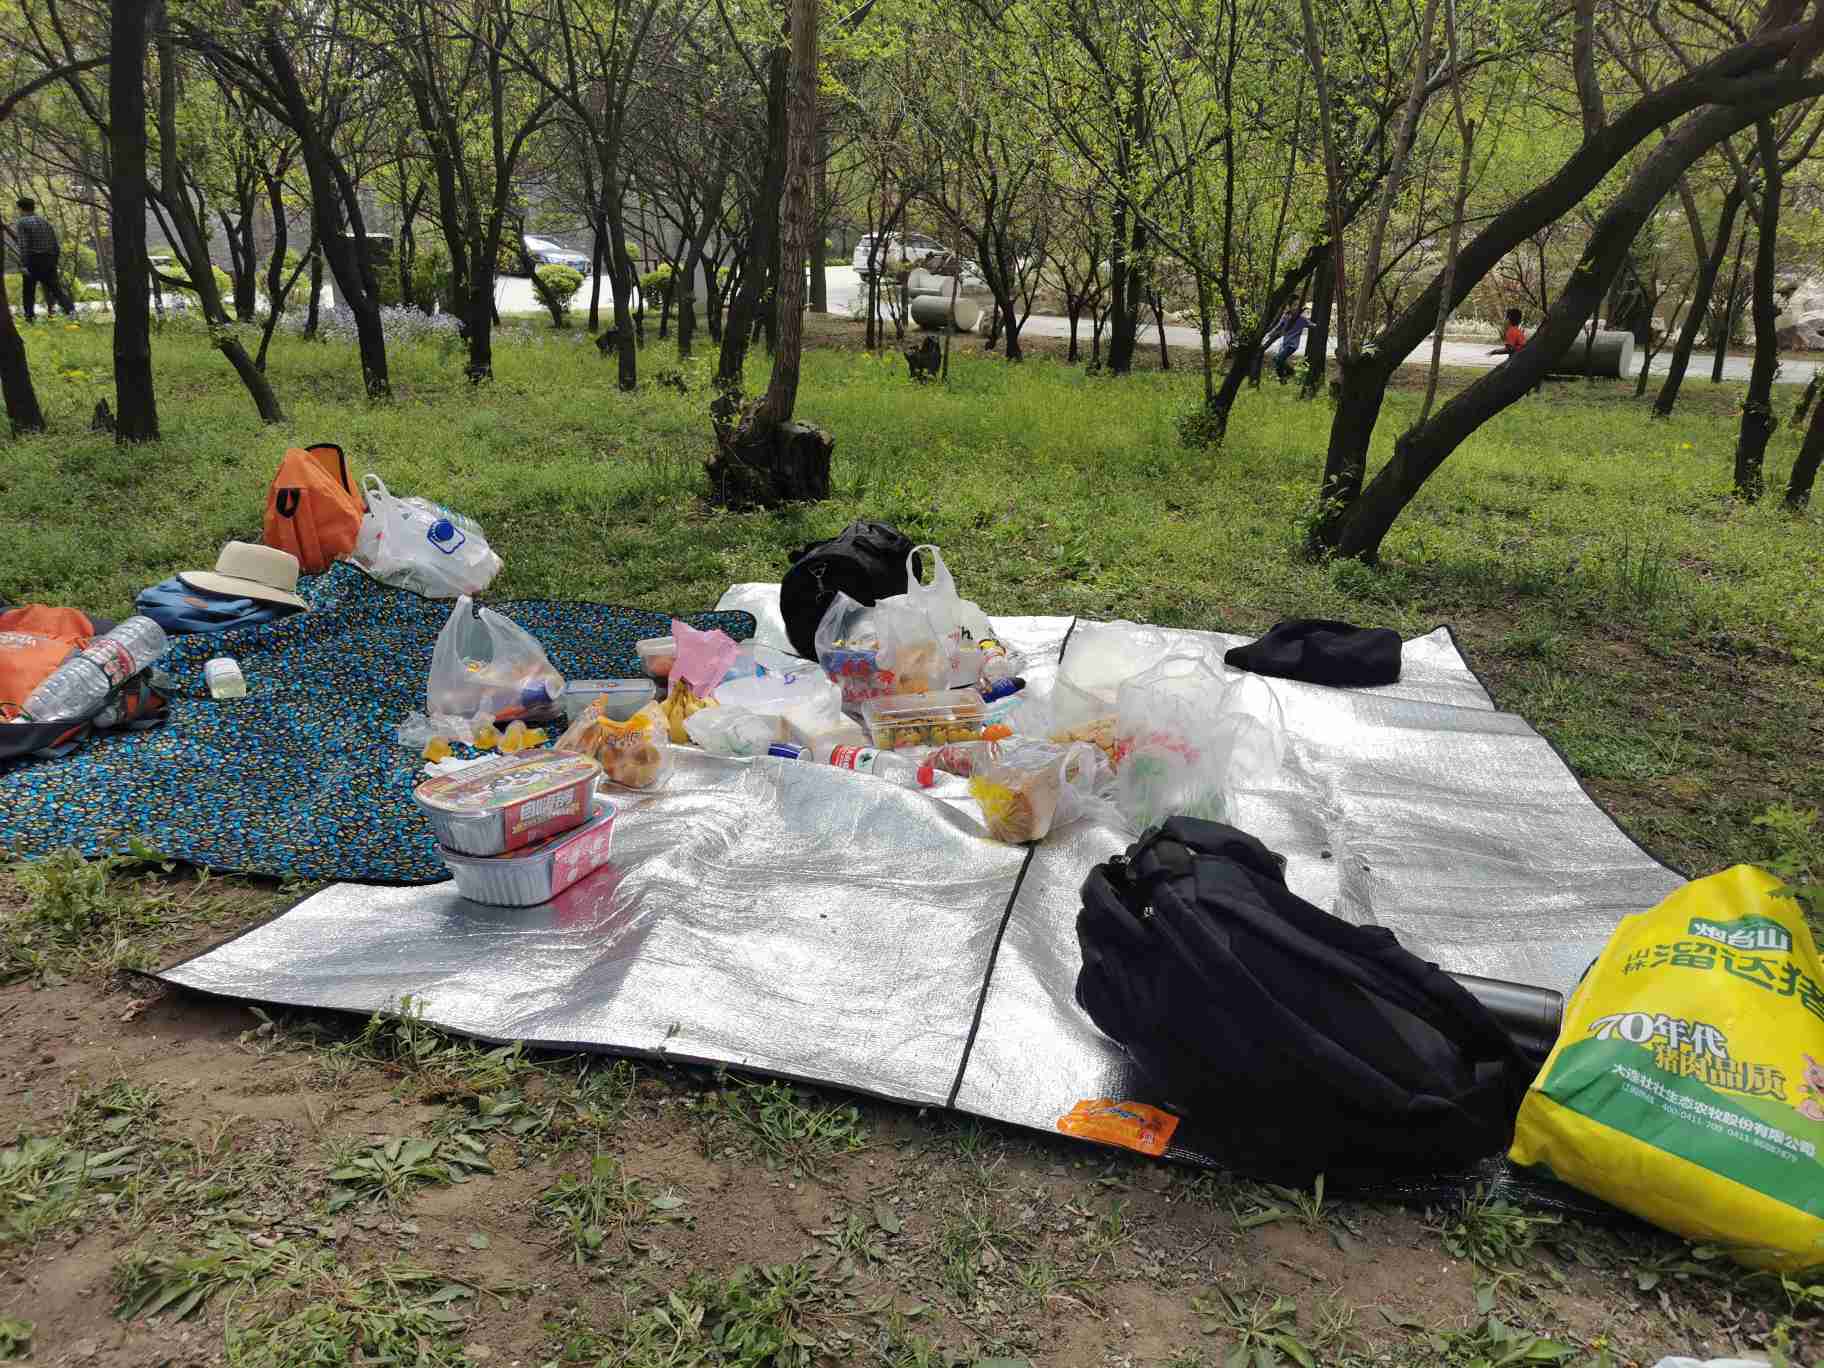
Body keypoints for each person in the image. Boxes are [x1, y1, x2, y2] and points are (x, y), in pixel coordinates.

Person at [10, 198, 76, 321]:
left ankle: (30, 318)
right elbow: (55, 244)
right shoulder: (44, 222)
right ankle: (71, 311)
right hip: (49, 259)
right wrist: (54, 261)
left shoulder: (22, 222)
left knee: (29, 291)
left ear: (20, 208)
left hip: (33, 259)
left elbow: (24, 245)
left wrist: (24, 264)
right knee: (56, 289)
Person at [1262, 302, 1311, 383]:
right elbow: (1279, 326)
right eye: (1293, 306)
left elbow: (1312, 325)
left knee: (1278, 359)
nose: (1295, 308)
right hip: (1284, 344)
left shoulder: (1302, 320)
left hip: (1292, 345)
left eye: (1297, 307)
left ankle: (1289, 374)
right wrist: (1270, 334)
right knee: (1277, 360)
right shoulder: (1286, 317)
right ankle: (1285, 376)